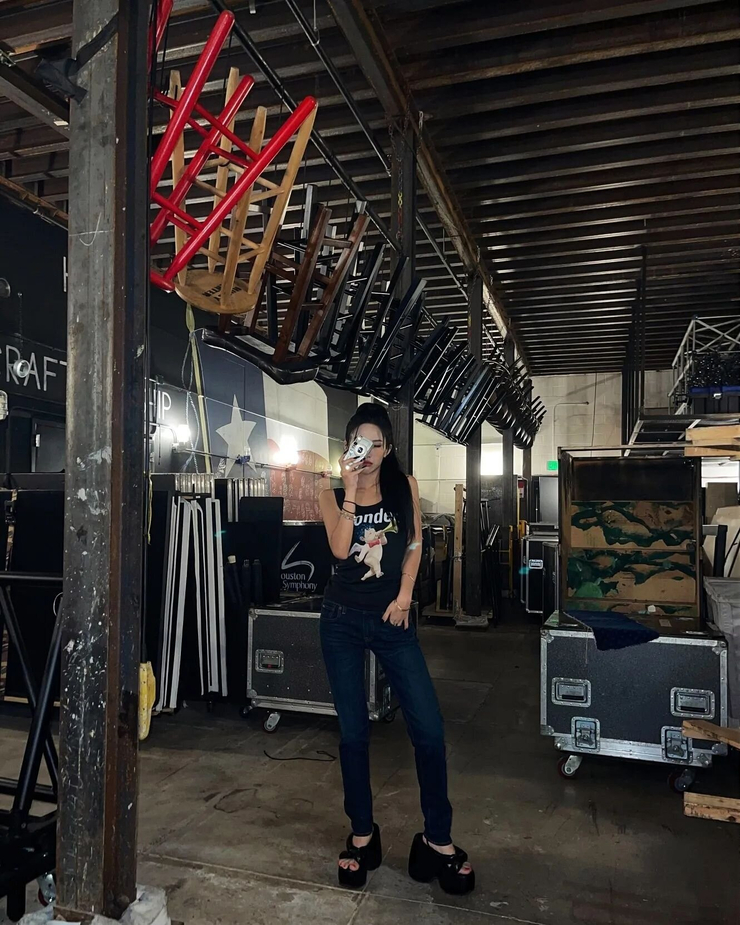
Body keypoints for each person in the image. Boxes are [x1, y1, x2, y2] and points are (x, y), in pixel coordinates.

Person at [319, 403, 475, 894]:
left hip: (393, 619)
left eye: (376, 444)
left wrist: (406, 594)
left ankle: (437, 840)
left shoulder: (404, 486)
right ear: (349, 446)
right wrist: (349, 488)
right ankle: (362, 835)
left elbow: (413, 542)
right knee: (353, 733)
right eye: (359, 443)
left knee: (428, 728)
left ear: (387, 449)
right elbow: (341, 549)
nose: (367, 453)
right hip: (341, 621)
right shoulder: (329, 492)